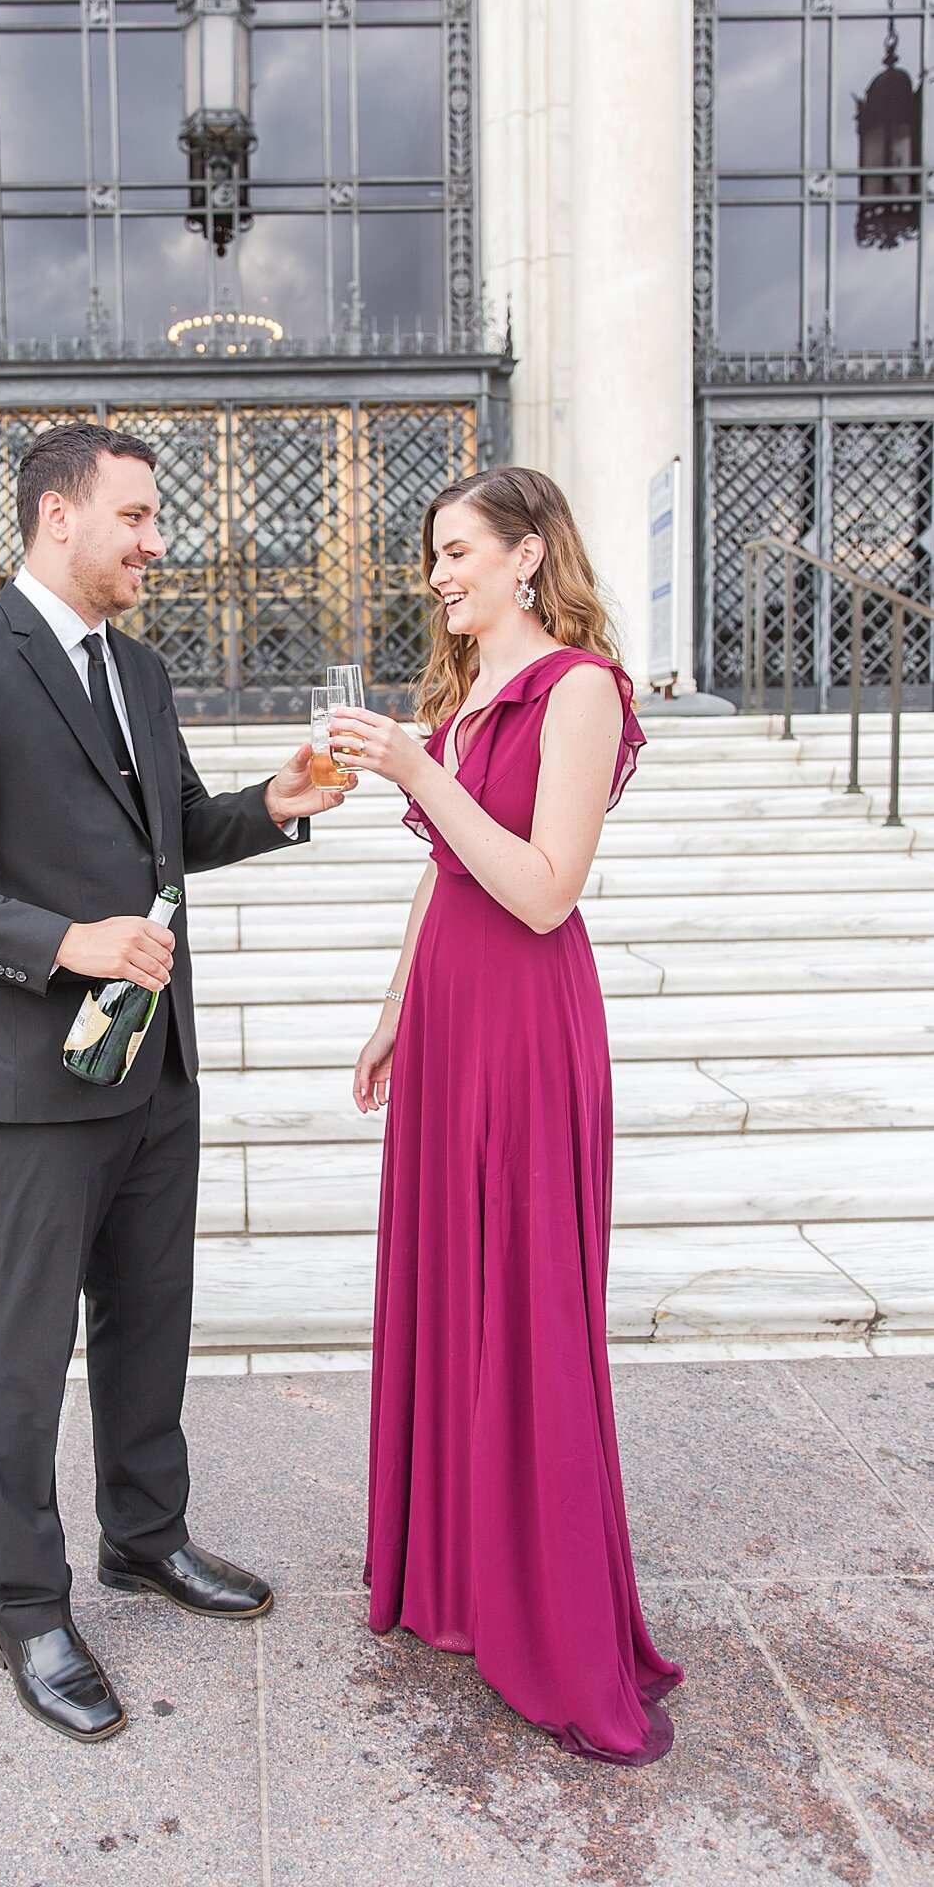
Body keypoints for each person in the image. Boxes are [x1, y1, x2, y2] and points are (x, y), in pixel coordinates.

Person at [0, 422, 349, 1743]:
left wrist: (274, 802)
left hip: (152, 1070)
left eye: (153, 519)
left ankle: (146, 1538)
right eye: (134, 516)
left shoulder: (135, 667)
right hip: (30, 1081)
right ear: (55, 518)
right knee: (21, 1356)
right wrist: (61, 944)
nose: (154, 541)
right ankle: (28, 1609)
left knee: (149, 1321)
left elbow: (172, 831)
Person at [330, 465, 682, 1766]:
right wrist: (390, 1013)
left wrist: (421, 771)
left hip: (529, 1027)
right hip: (450, 1024)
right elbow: (442, 884)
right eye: (432, 554)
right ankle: (455, 1578)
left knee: (522, 1302)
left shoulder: (579, 691)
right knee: (448, 1290)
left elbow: (541, 889)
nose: (438, 573)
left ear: (529, 554)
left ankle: (544, 1607)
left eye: (460, 551)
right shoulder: (465, 693)